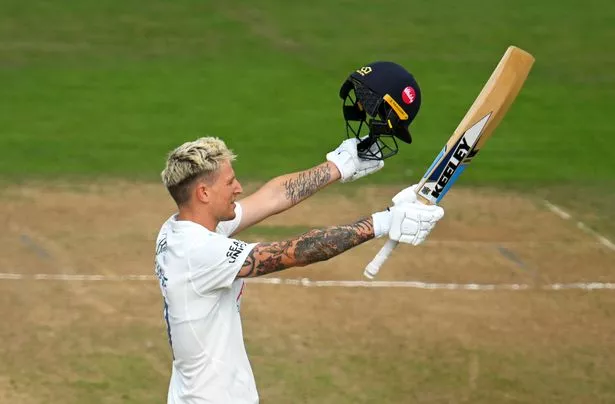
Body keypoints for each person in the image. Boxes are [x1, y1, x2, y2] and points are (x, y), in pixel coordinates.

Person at [154, 62, 444, 403]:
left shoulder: (180, 228)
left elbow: (274, 196)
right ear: (203, 193)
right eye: (230, 182)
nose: (239, 188)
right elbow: (297, 251)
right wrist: (381, 223)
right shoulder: (198, 252)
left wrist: (338, 166)